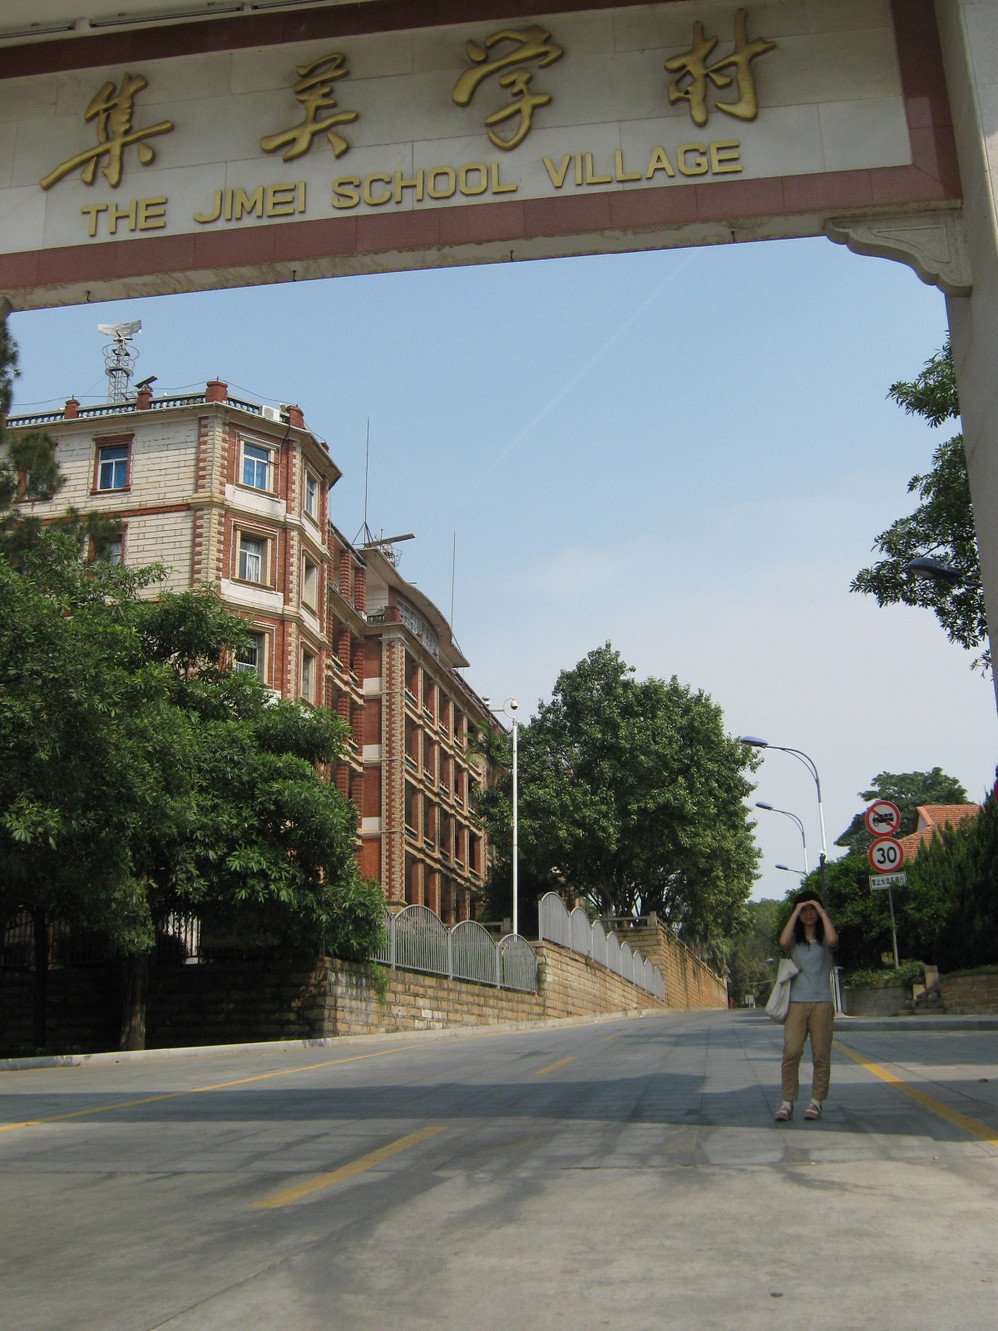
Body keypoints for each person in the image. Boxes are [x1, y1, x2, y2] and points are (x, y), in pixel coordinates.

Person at [773, 889, 838, 1122]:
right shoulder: (794, 942)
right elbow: (782, 942)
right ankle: (787, 1103)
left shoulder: (825, 940)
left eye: (812, 909)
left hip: (822, 1002)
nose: (809, 913)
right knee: (791, 1052)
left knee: (821, 1055)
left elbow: (833, 940)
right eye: (804, 910)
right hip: (796, 1003)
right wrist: (796, 911)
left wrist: (822, 911)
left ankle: (816, 1102)